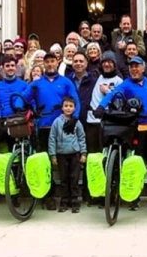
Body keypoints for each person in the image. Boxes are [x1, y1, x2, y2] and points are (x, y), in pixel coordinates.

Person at [96, 56, 147, 210]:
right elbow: (112, 94)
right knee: (135, 163)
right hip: (137, 127)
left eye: (137, 66)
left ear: (143, 68)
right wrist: (102, 106)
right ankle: (133, 196)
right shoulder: (126, 84)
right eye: (132, 67)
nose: (134, 69)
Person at [28, 52, 81, 209]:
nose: (50, 64)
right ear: (43, 64)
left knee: (67, 165)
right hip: (43, 127)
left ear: (57, 63)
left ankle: (71, 197)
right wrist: (19, 105)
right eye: (47, 62)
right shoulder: (37, 83)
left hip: (63, 128)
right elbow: (24, 97)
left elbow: (75, 100)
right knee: (46, 163)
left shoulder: (66, 82)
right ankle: (48, 195)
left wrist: (74, 120)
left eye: (53, 61)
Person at [49, 96, 87, 213]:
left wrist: (83, 153)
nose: (68, 108)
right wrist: (53, 155)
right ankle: (64, 201)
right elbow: (52, 138)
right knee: (64, 179)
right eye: (66, 106)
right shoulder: (56, 122)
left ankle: (75, 201)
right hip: (61, 154)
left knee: (74, 178)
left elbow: (81, 138)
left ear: (75, 108)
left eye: (71, 106)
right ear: (62, 107)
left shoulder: (77, 123)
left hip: (74, 154)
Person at [85, 51, 122, 154]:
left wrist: (107, 92)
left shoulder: (119, 81)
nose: (106, 64)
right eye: (104, 62)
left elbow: (120, 102)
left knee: (103, 152)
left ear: (114, 65)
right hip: (91, 121)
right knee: (91, 152)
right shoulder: (99, 77)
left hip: (106, 123)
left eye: (110, 62)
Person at [67, 51, 97, 130]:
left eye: (81, 61)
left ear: (86, 64)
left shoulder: (94, 81)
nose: (78, 63)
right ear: (72, 64)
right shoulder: (67, 81)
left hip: (88, 120)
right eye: (75, 61)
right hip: (70, 120)